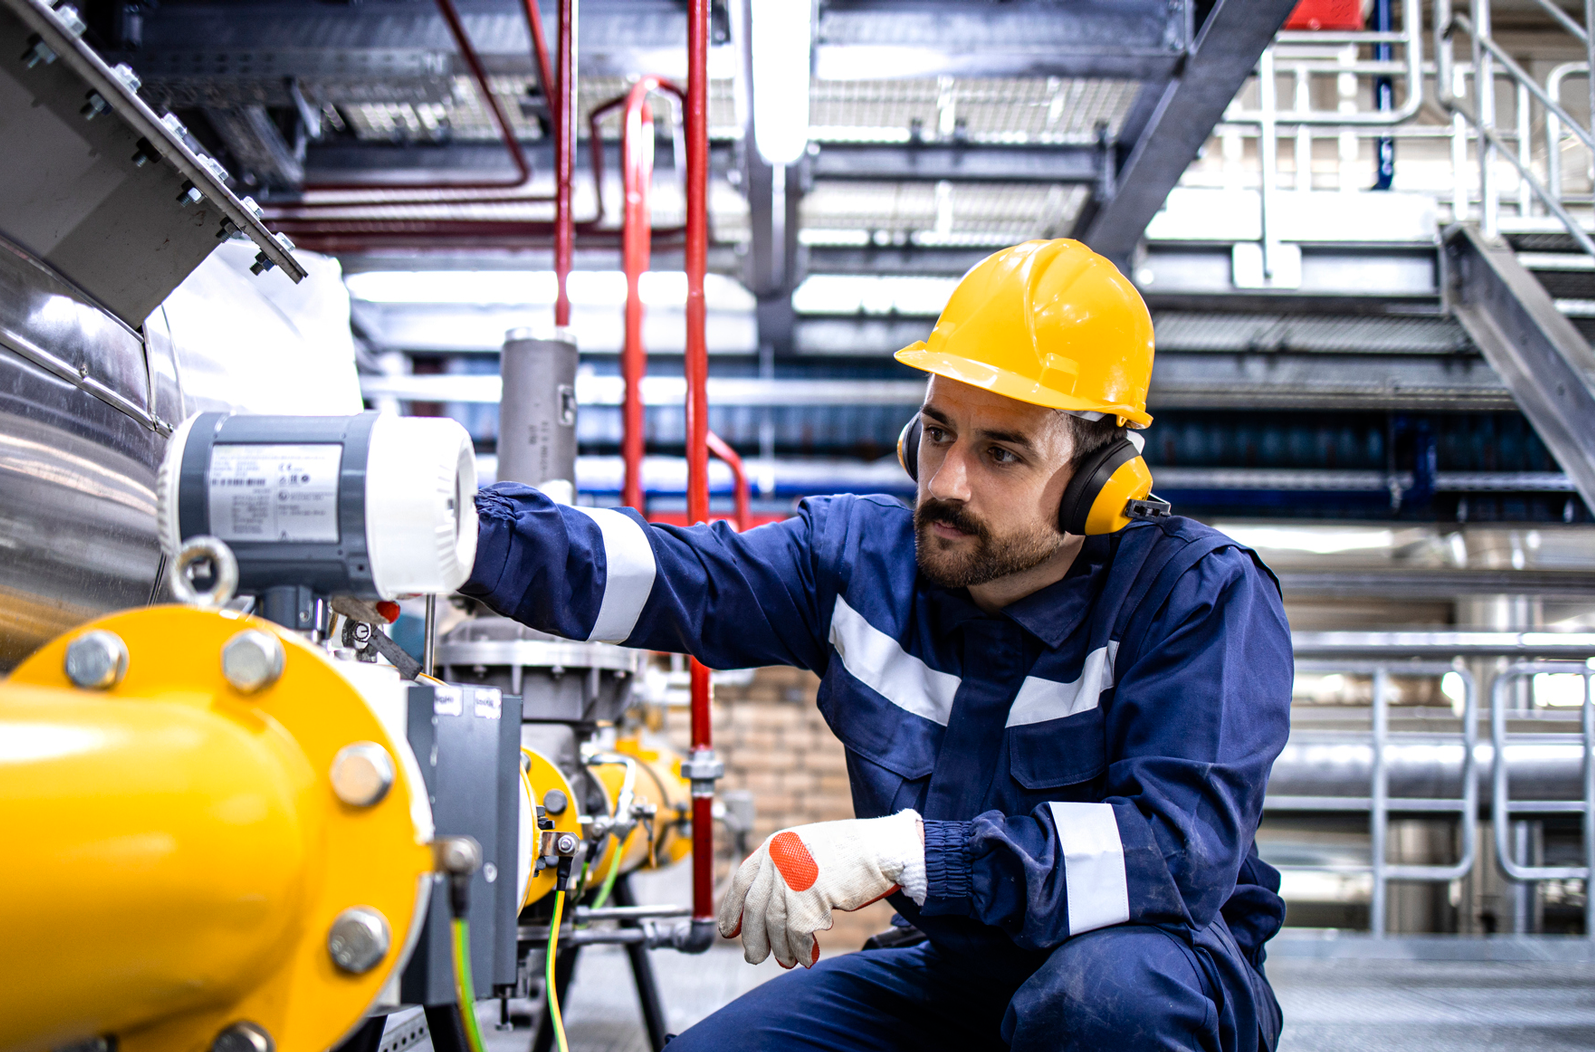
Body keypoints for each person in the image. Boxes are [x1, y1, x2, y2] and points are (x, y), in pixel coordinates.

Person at [460, 239, 1292, 1051]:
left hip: (1150, 971)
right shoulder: (859, 565)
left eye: (1002, 453)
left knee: (1100, 1006)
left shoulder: (1193, 596)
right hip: (950, 972)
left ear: (1098, 483)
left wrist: (906, 852)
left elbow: (1174, 853)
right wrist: (459, 530)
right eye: (938, 433)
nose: (947, 483)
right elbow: (671, 575)